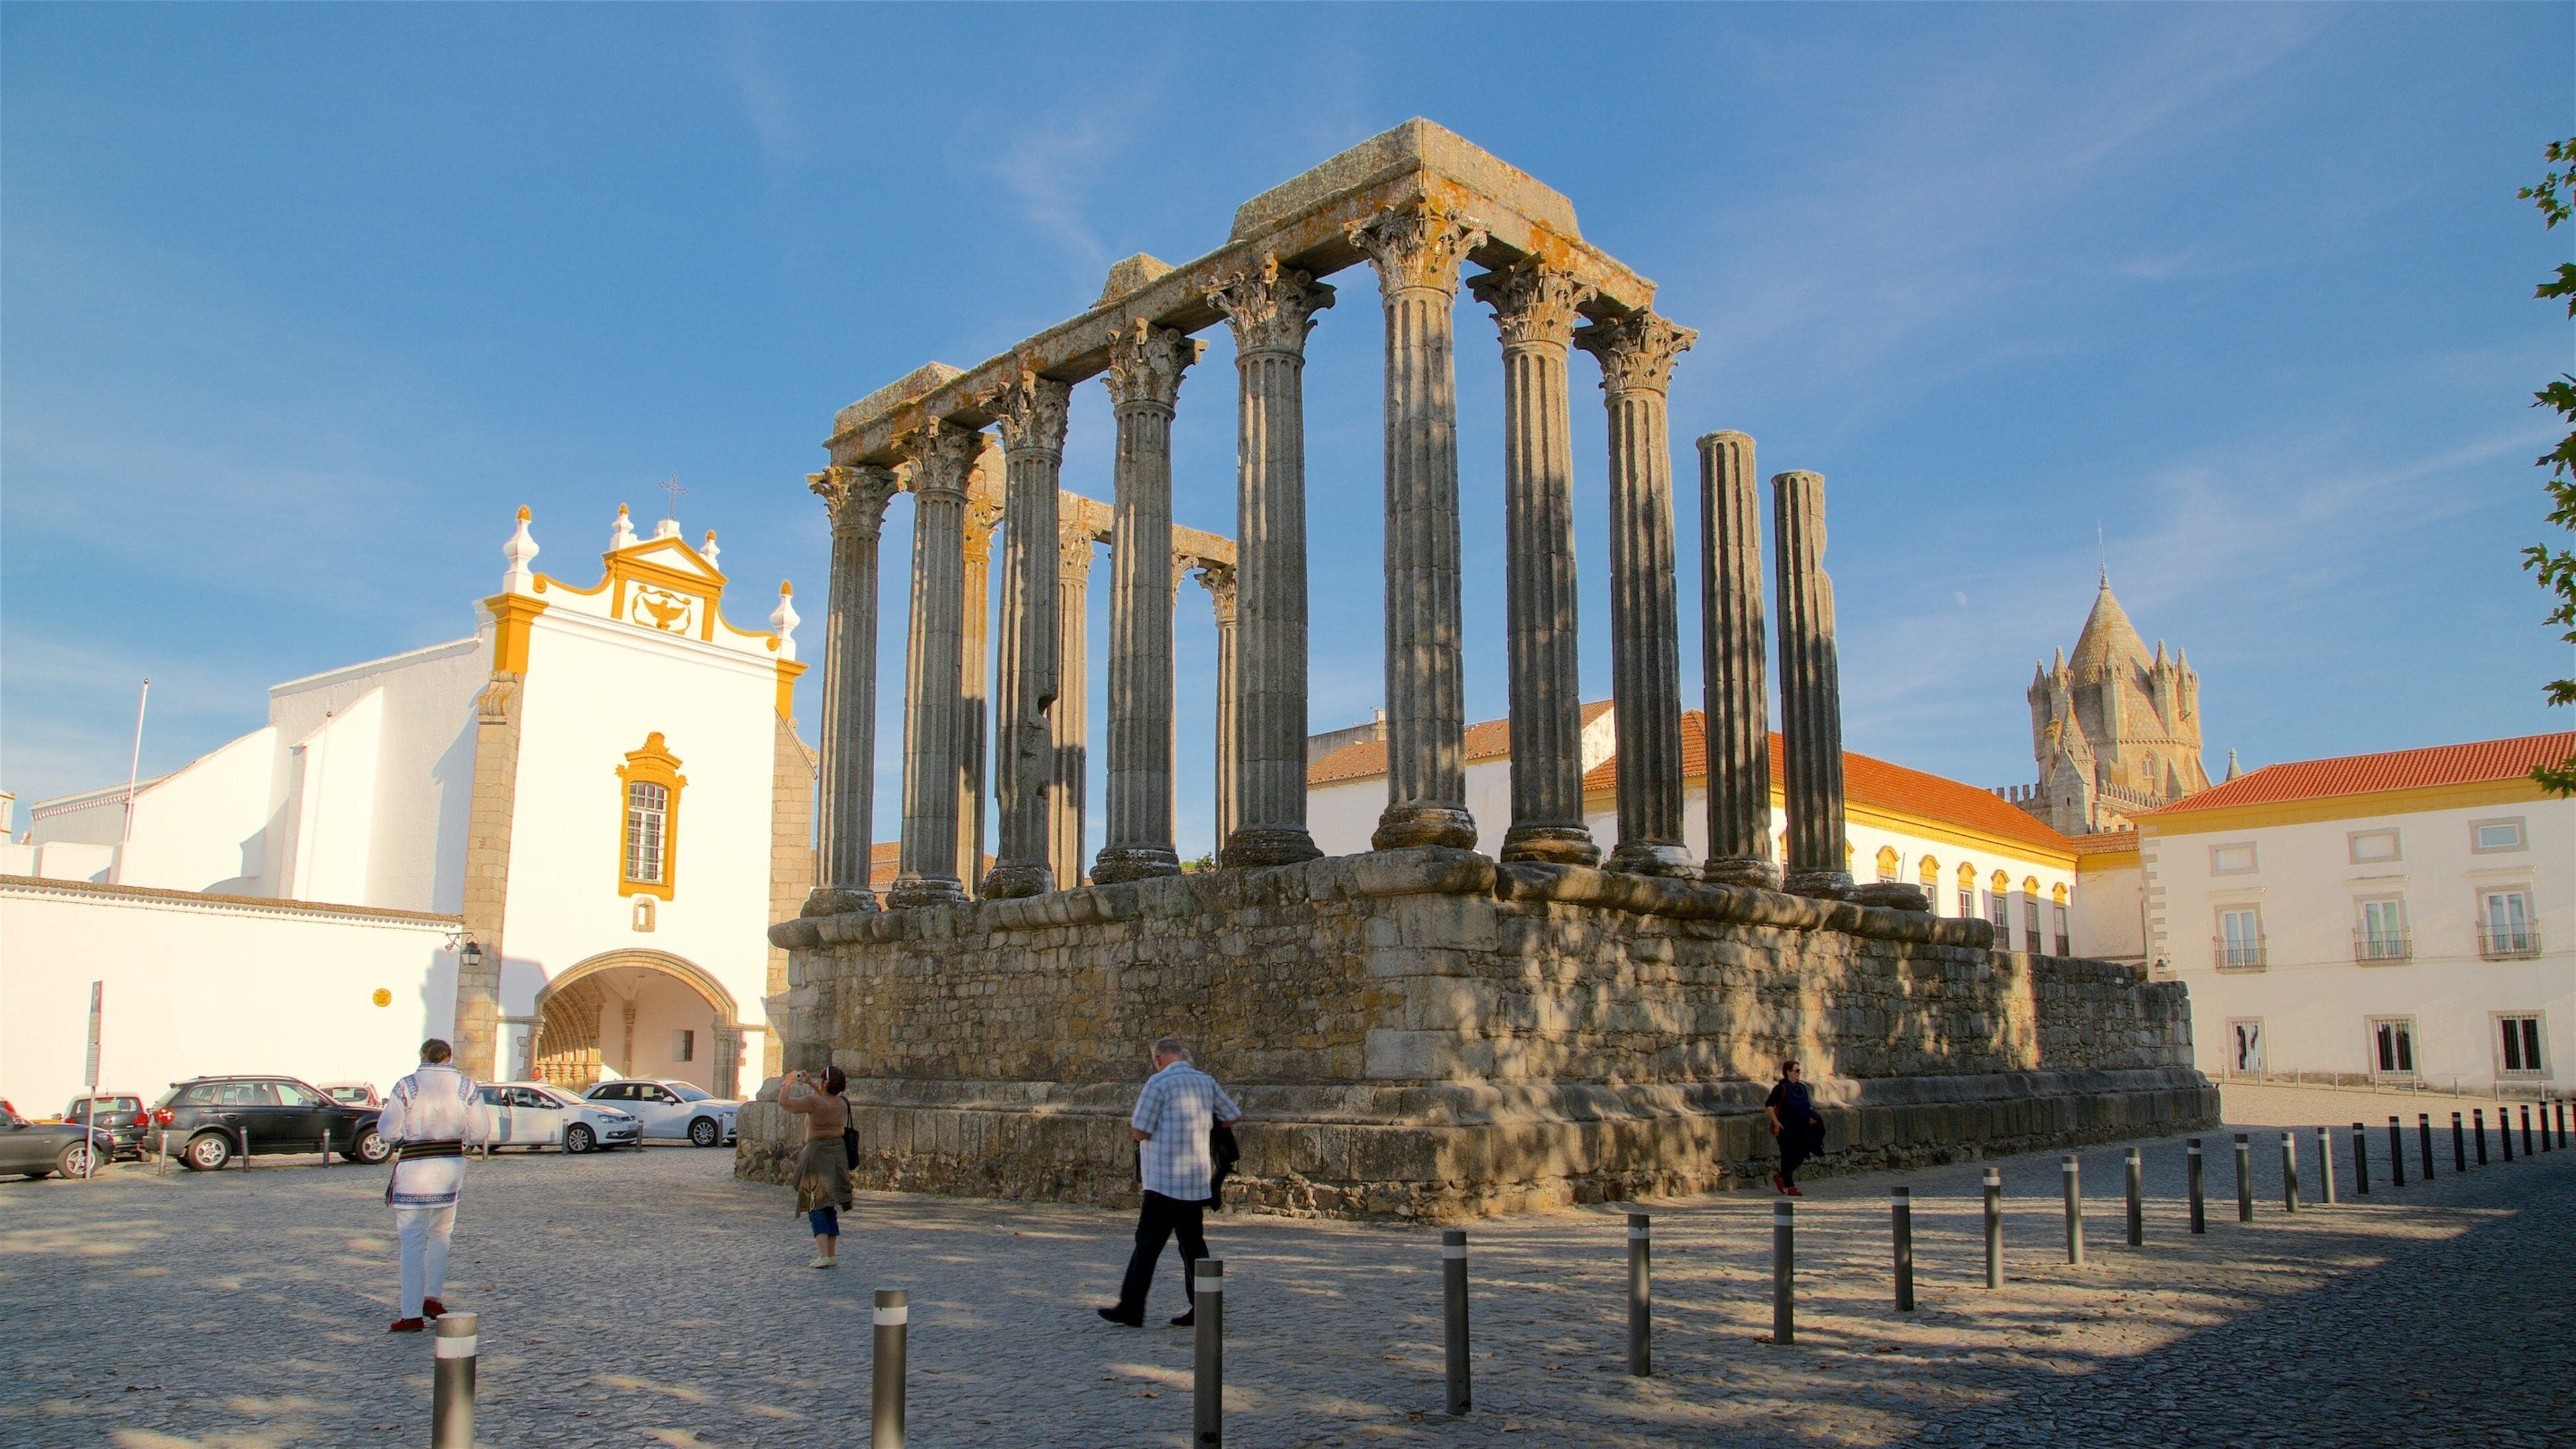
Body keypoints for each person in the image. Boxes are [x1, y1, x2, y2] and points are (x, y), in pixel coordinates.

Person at [1099, 1037, 1240, 1328]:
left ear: (1159, 1058)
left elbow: (1140, 1129)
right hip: (1194, 1182)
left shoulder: (1159, 1083)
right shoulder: (1205, 1081)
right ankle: (1203, 1306)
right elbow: (1232, 1115)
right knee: (1193, 1246)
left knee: (1147, 1246)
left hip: (1163, 1182)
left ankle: (1131, 1308)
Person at [376, 1039, 492, 1333]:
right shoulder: (466, 1087)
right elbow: (480, 1131)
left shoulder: (407, 1086)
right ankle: (432, 1297)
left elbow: (388, 1130)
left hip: (415, 1168)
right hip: (449, 1168)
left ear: (422, 1055)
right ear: (449, 1057)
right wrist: (462, 1139)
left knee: (412, 1242)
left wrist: (404, 1137)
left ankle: (411, 1312)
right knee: (441, 1234)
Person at [780, 1066, 852, 1268]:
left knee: (816, 1203)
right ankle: (831, 1254)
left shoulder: (813, 1103)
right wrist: (811, 1083)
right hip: (837, 1155)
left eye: (821, 1080)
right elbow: (826, 1100)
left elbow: (784, 1103)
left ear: (826, 1083)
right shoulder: (842, 1103)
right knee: (829, 1205)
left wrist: (788, 1083)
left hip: (817, 1155)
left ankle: (823, 1256)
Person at [1765, 1059, 1825, 1195]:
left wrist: (1811, 1118)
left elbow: (1806, 1106)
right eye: (1797, 1071)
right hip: (1785, 1126)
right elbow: (1769, 1105)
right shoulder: (1781, 1088)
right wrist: (1775, 1122)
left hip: (1801, 1126)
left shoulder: (1802, 1088)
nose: (1799, 1073)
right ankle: (1790, 1186)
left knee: (1802, 1152)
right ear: (1788, 1072)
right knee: (1787, 1154)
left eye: (1799, 1071)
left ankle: (1781, 1176)